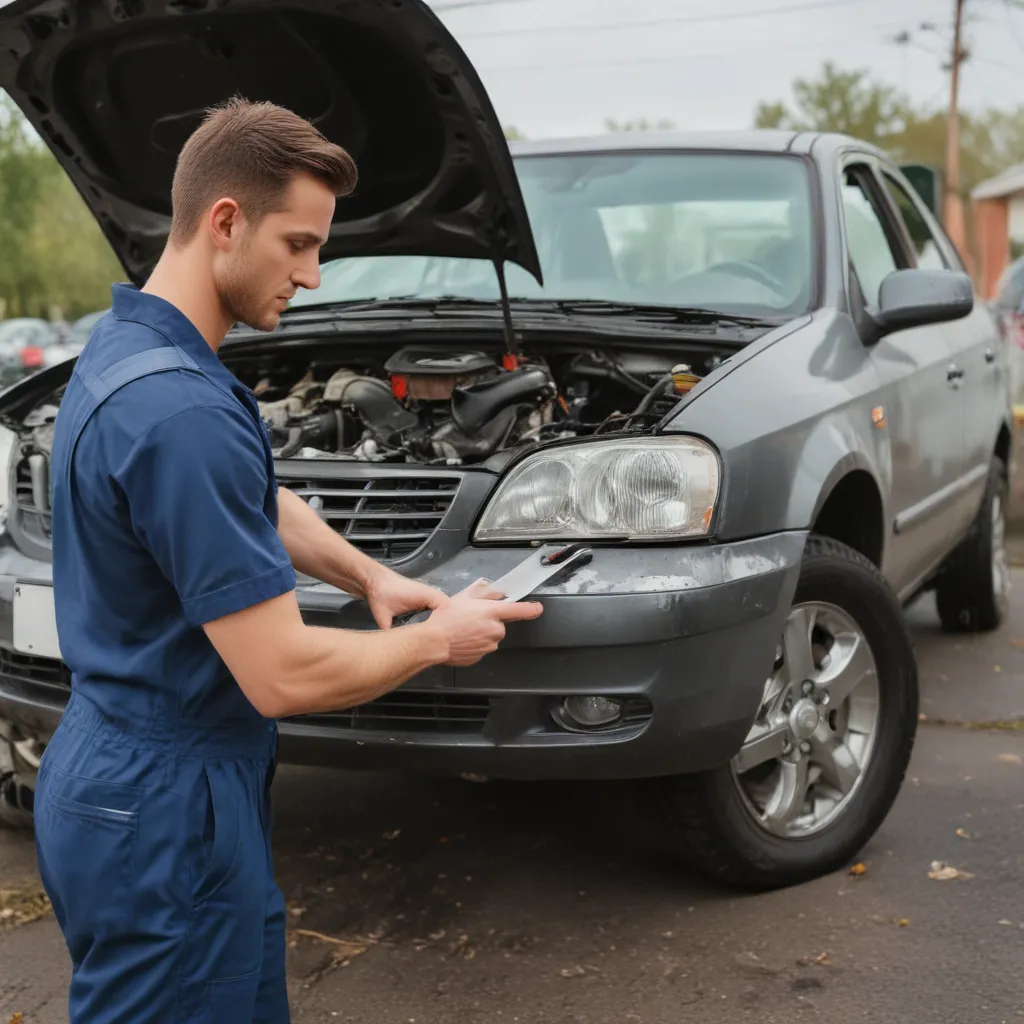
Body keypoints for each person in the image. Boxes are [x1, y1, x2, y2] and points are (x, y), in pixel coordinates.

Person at [35, 96, 543, 1023]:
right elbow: (281, 673)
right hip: (170, 806)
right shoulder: (183, 413)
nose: (311, 277)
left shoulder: (124, 353)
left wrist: (373, 577)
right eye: (298, 244)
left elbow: (255, 502)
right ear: (225, 222)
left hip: (109, 774)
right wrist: (442, 640)